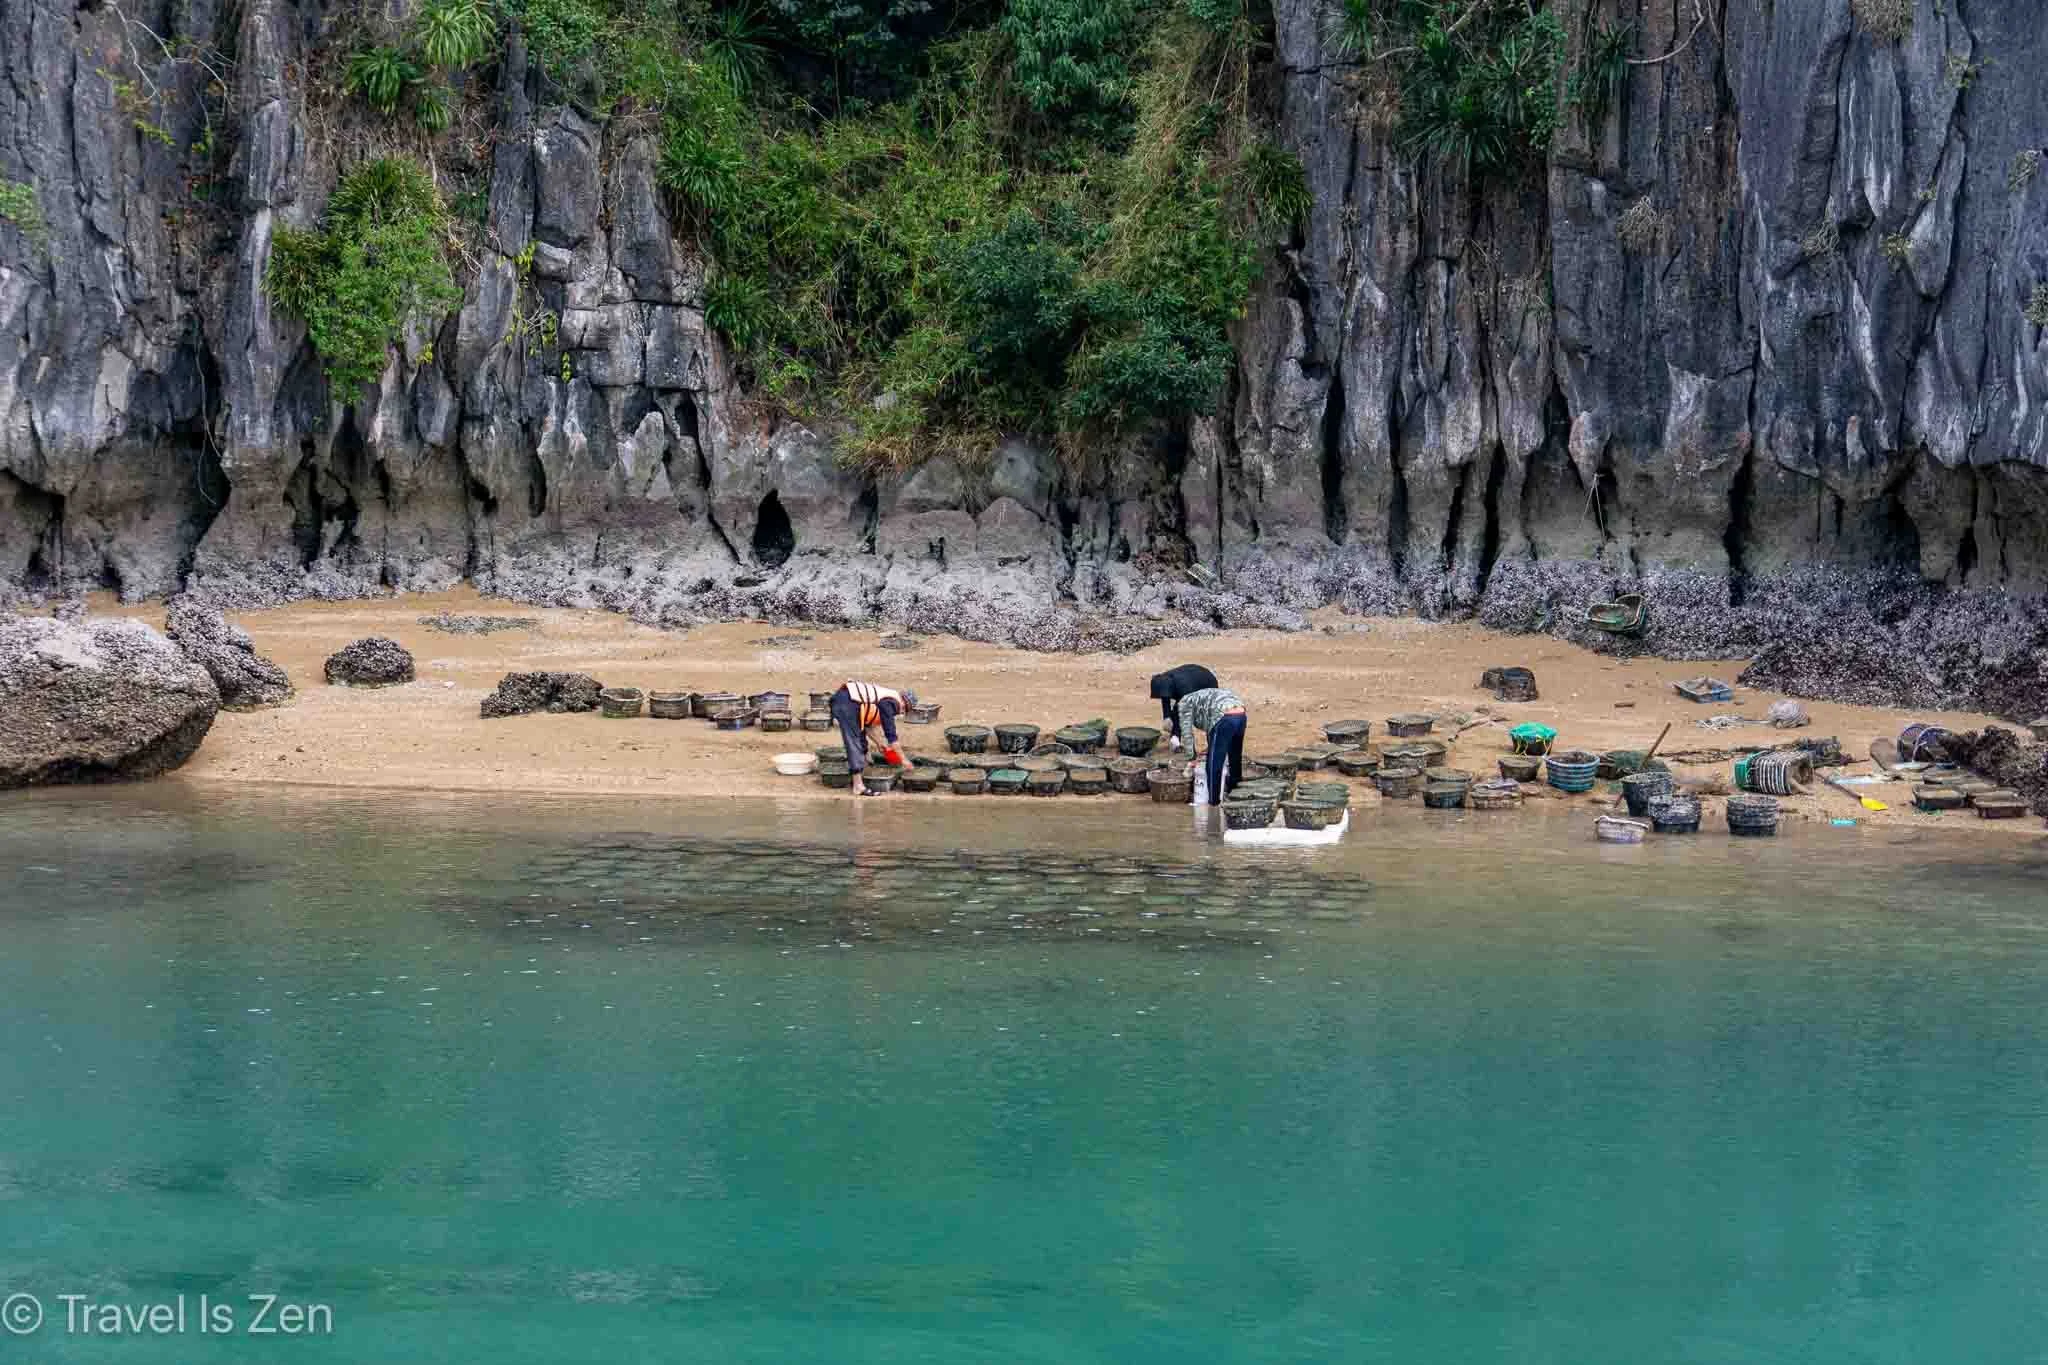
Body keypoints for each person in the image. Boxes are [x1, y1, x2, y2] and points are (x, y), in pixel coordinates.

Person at [831, 679, 919, 797]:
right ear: (904, 703)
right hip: (846, 702)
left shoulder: (886, 699)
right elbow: (891, 736)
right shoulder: (892, 703)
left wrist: (879, 743)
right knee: (854, 741)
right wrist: (904, 760)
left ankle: (862, 771)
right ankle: (858, 786)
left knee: (860, 738)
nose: (901, 712)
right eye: (905, 709)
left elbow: (868, 726)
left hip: (845, 699)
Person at [1176, 685, 1247, 806]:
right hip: (1241, 714)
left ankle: (1214, 803)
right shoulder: (1201, 696)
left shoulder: (1183, 704)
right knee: (1235, 757)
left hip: (1224, 717)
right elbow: (1211, 727)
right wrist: (1211, 747)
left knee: (1214, 763)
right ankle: (1236, 797)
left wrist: (1192, 758)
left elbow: (1187, 734)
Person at [1148, 663, 1218, 751]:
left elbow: (1182, 713)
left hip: (1207, 684)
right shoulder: (1164, 681)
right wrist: (1167, 717)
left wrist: (1175, 733)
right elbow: (1165, 699)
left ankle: (1212, 747)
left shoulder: (1184, 688)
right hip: (1189, 680)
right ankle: (1176, 741)